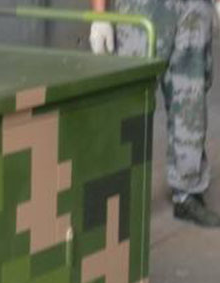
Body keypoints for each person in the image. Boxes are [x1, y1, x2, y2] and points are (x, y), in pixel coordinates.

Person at [89, 0, 220, 227]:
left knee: (191, 99)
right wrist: (99, 15)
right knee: (128, 103)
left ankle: (187, 193)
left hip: (195, 9)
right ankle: (113, 194)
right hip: (143, 8)